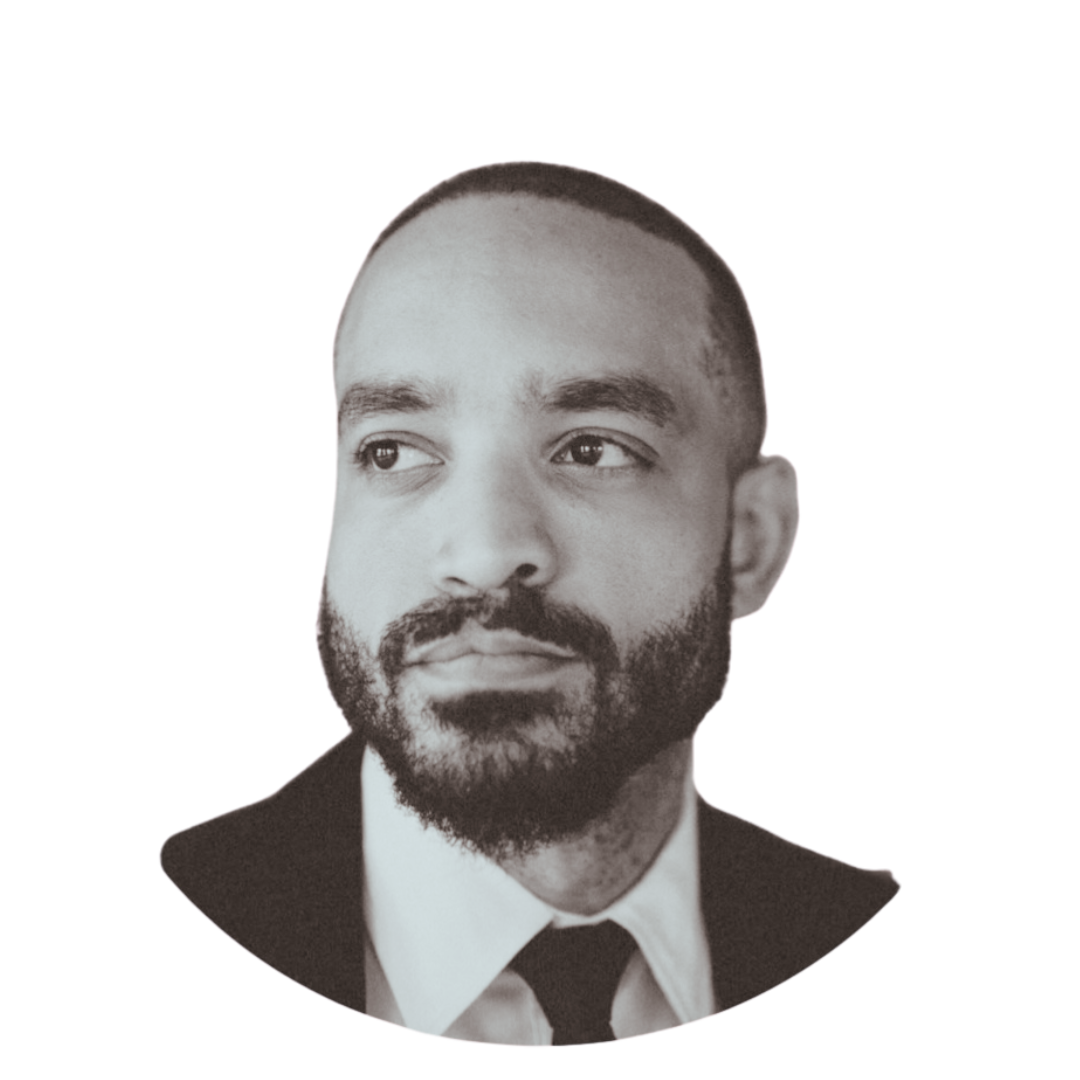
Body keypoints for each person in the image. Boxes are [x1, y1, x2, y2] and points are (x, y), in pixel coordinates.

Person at [159, 161, 899, 1045]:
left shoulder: (851, 923)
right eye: (393, 451)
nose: (482, 554)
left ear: (750, 540)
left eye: (592, 449)